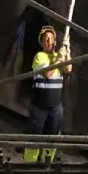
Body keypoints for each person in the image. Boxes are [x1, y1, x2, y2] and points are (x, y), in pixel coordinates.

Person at [23, 25, 72, 163]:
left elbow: (68, 69)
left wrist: (67, 51)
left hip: (55, 107)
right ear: (42, 42)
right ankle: (29, 165)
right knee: (34, 137)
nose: (48, 41)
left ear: (55, 41)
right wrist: (59, 59)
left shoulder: (59, 56)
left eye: (50, 38)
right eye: (45, 39)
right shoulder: (40, 56)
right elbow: (48, 73)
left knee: (52, 137)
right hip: (39, 106)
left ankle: (47, 164)